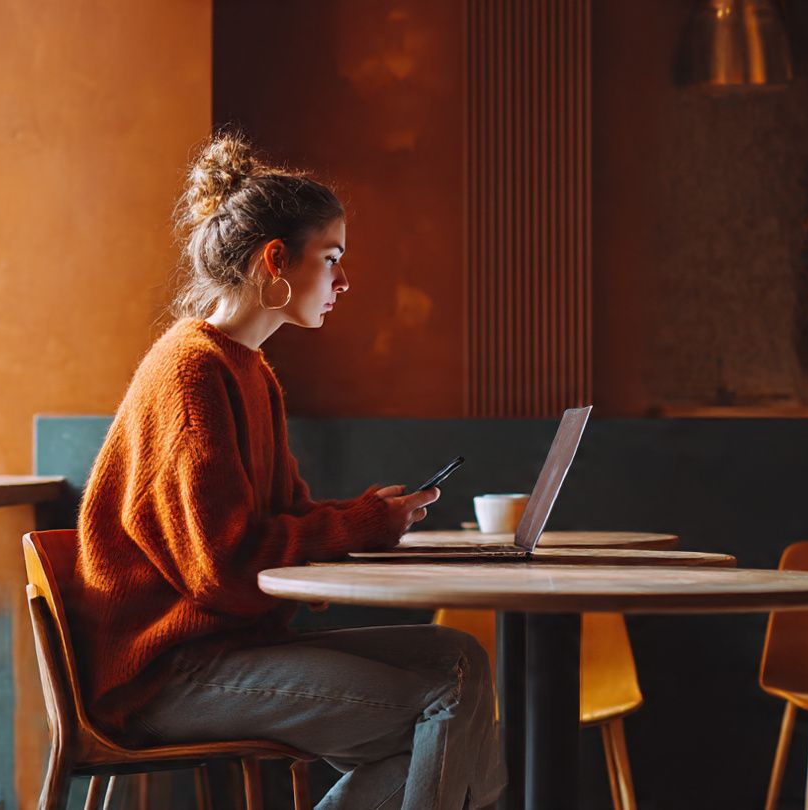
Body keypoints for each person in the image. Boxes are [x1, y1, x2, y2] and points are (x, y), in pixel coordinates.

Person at [74, 132, 505, 810]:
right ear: (277, 259)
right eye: (331, 259)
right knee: (444, 705)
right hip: (171, 674)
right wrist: (360, 524)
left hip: (229, 650)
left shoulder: (251, 373)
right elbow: (222, 566)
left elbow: (282, 520)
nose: (342, 281)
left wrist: (372, 518)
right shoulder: (190, 371)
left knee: (461, 659)